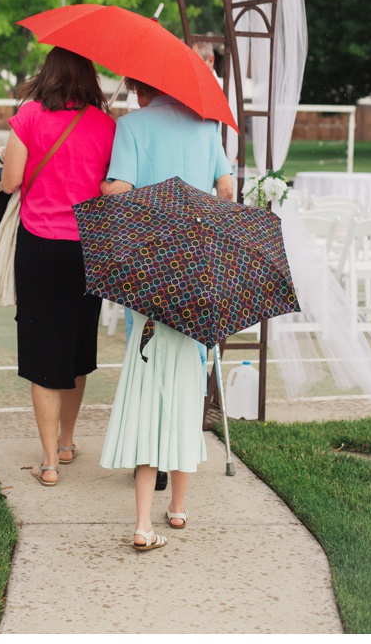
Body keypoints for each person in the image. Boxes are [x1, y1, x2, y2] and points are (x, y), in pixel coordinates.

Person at [97, 75, 235, 553]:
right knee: (188, 377)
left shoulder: (132, 125)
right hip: (196, 265)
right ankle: (177, 506)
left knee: (148, 368)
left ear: (140, 88)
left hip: (150, 265)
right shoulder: (207, 126)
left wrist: (105, 184)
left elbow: (120, 190)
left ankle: (145, 495)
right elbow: (226, 190)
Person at [0, 48, 116, 489]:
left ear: (47, 73)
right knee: (77, 348)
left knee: (43, 347)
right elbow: (110, 187)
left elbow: (10, 181)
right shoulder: (107, 125)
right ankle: (67, 441)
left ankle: (48, 461)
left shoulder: (28, 115)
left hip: (40, 247)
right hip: (89, 248)